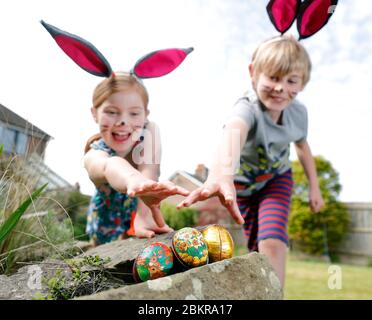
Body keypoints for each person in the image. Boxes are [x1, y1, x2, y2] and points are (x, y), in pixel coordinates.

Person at [178, 35, 324, 287]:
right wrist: (222, 175)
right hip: (242, 187)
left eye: (291, 80)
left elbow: (301, 146)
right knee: (256, 246)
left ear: (303, 83)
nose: (281, 88)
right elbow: (234, 131)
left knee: (272, 240)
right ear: (253, 73)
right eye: (273, 78)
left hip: (276, 179)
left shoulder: (299, 114)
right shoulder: (247, 108)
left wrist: (314, 186)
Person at [40, 20, 192, 246]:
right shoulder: (94, 154)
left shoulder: (149, 134)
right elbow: (109, 166)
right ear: (94, 114)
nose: (122, 121)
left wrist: (143, 216)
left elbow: (149, 172)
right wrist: (132, 178)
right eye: (112, 112)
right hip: (105, 226)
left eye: (134, 113)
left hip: (138, 215)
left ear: (146, 114)